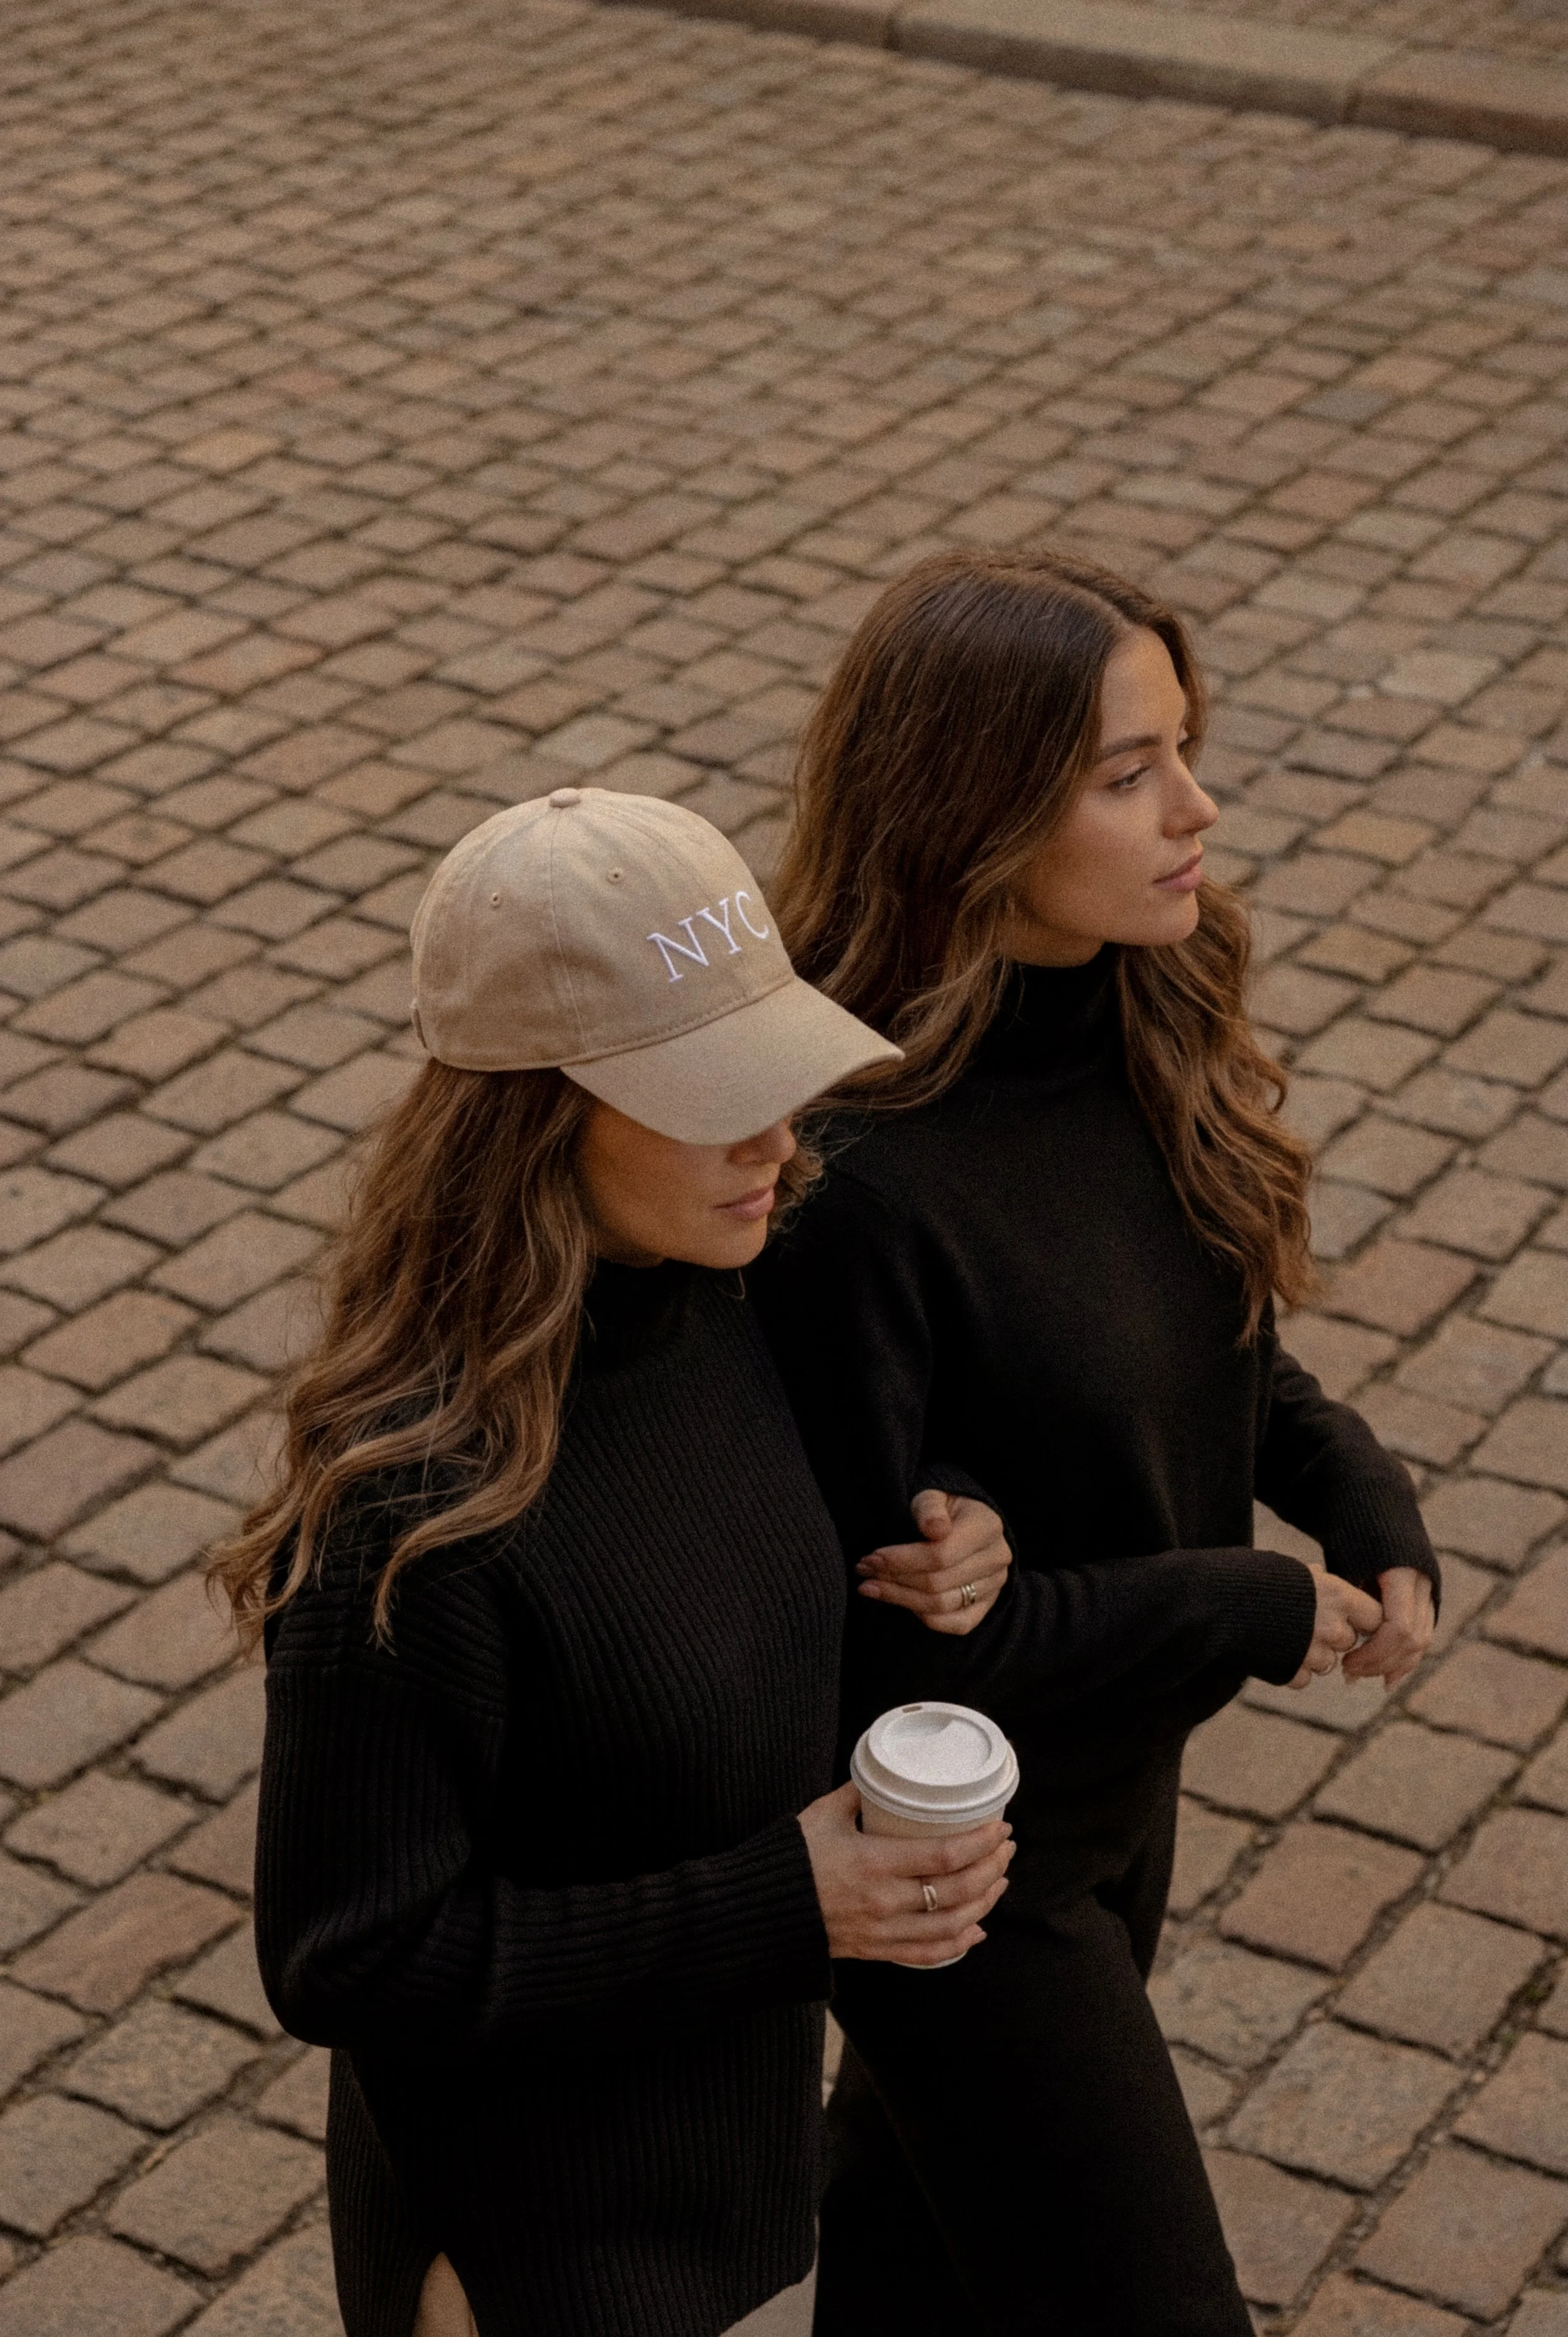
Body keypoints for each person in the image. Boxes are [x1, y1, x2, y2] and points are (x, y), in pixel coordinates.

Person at [211, 787, 1018, 2337]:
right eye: (713, 1096)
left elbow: (751, 1528)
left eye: (772, 1076)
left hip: (720, 2190)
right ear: (531, 1115)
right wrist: (793, 1901)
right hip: (533, 2257)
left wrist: (943, 1513)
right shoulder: (412, 1511)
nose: (779, 1141)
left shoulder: (720, 1283)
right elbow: (351, 1962)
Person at [747, 548, 1442, 2337]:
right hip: (968, 1866)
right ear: (971, 806)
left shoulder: (1138, 998)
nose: (1194, 810)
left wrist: (1358, 1494)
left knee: (918, 2251)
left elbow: (1200, 1352)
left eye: (1183, 749)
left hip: (1118, 1792)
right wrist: (1240, 1602)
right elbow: (883, 1648)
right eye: (1126, 773)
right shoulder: (852, 1176)